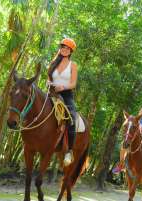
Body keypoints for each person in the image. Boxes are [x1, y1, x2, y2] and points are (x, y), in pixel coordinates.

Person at [47, 38, 78, 166]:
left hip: (66, 94)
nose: (64, 49)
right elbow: (47, 79)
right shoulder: (53, 63)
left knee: (72, 118)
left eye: (67, 48)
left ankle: (69, 151)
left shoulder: (73, 65)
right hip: (52, 92)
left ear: (70, 51)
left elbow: (73, 84)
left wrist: (63, 87)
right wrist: (49, 83)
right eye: (62, 47)